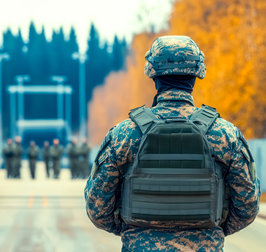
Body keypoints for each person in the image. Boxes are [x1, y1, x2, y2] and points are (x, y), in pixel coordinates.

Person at [84, 36, 260, 251]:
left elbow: (97, 208)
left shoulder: (124, 134)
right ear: (197, 75)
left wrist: (133, 231)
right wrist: (212, 230)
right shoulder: (225, 134)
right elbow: (248, 206)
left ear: (153, 75)